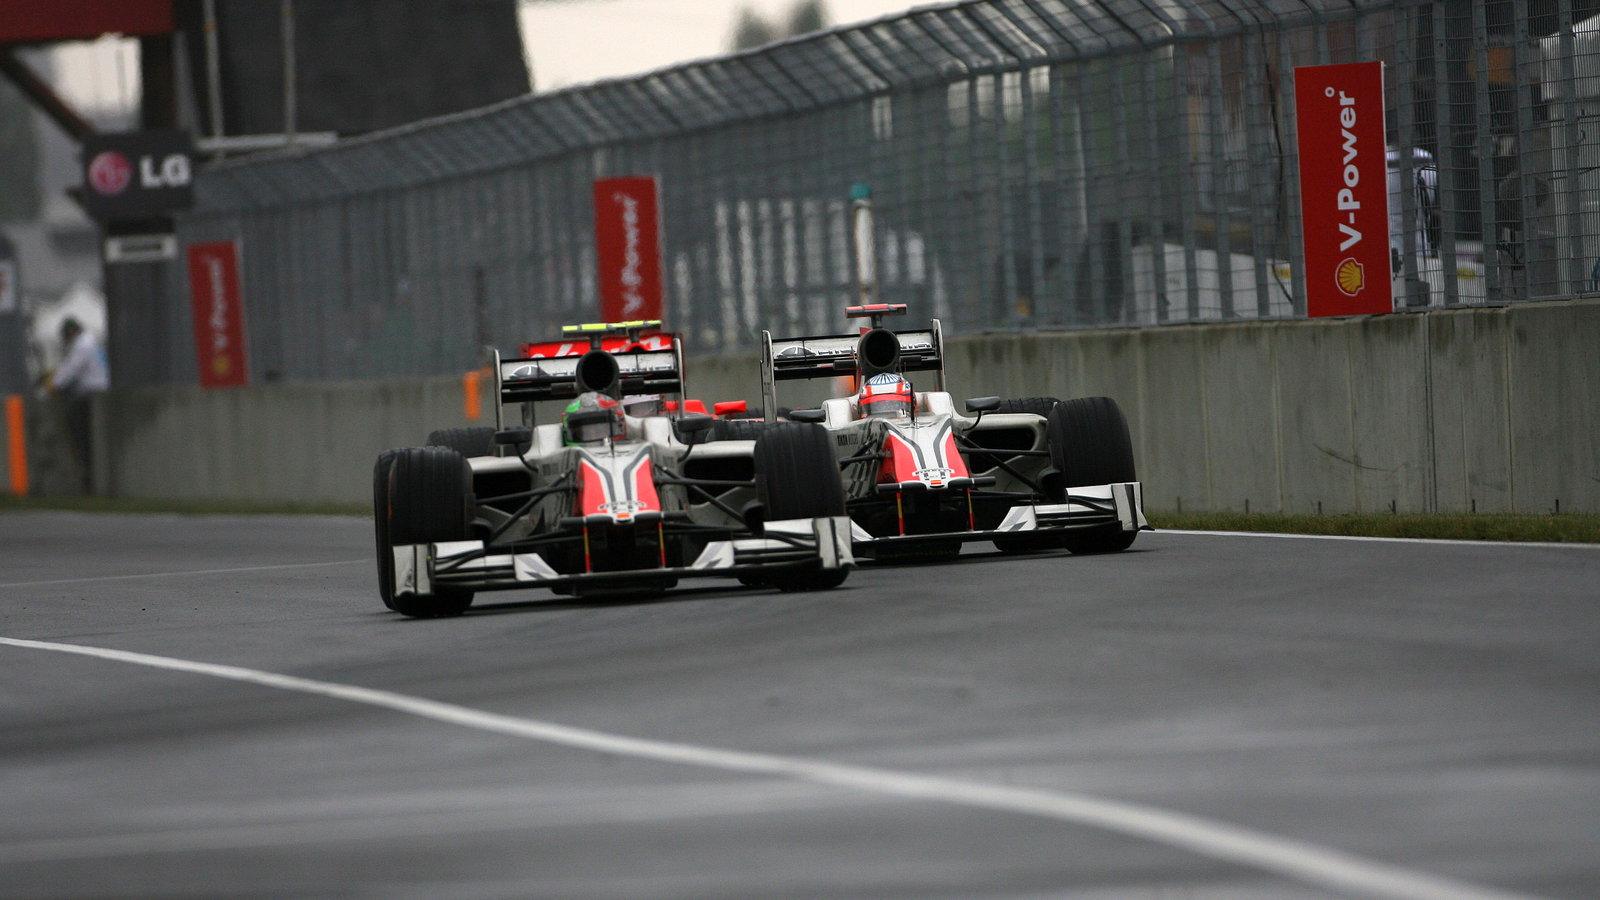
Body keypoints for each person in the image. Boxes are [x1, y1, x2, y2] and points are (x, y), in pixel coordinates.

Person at [52, 317, 109, 491]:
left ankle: (88, 480)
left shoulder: (82, 346)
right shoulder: (91, 341)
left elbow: (70, 370)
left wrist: (51, 387)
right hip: (97, 392)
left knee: (82, 437)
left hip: (91, 395)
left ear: (70, 332)